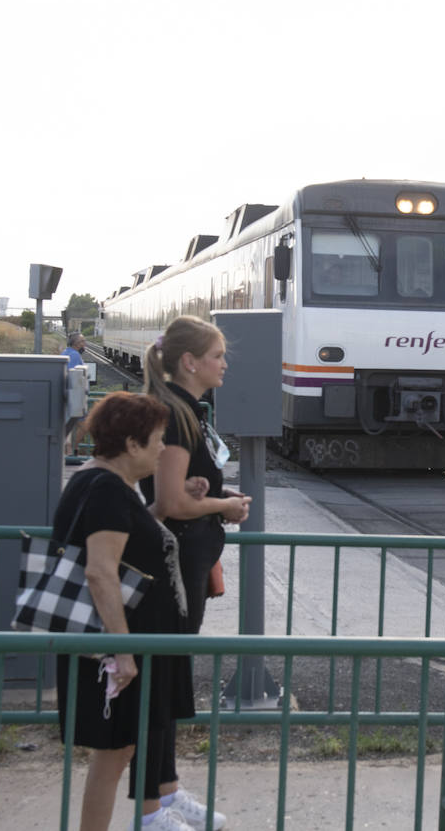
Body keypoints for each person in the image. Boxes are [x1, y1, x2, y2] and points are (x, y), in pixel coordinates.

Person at [54, 390, 200, 831]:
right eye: (157, 441)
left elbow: (129, 539)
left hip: (125, 644)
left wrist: (165, 505)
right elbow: (101, 572)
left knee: (117, 751)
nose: (162, 451)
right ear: (132, 445)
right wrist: (122, 652)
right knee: (114, 751)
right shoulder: (107, 491)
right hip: (118, 648)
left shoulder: (105, 483)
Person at [138, 316, 251, 831]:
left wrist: (213, 502)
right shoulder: (176, 413)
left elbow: (184, 492)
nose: (225, 363)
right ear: (190, 362)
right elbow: (168, 501)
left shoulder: (184, 410)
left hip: (187, 562)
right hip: (174, 566)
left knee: (169, 680)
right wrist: (222, 506)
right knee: (159, 683)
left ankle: (166, 791)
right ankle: (151, 809)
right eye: (218, 355)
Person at [62, 332, 89, 459]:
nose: (84, 344)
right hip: (75, 397)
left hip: (66, 395)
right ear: (77, 344)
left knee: (69, 426)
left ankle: (71, 449)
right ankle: (72, 450)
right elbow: (75, 377)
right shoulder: (75, 355)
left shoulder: (65, 352)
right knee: (84, 426)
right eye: (83, 341)